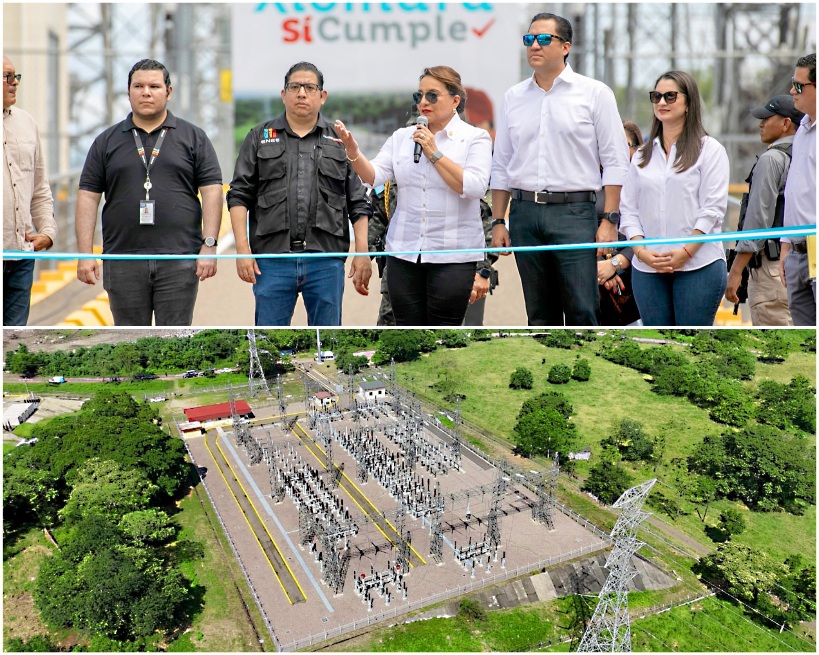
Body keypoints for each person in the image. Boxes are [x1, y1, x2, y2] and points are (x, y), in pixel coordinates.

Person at [490, 12, 629, 326]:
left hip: (575, 213)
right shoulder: (513, 98)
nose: (534, 45)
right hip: (524, 214)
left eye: (543, 39)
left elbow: (616, 162)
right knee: (539, 315)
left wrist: (610, 219)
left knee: (582, 310)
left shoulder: (594, 94)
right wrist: (499, 220)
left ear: (565, 47)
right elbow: (501, 164)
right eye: (529, 39)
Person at [335, 66, 492, 326]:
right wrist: (354, 152)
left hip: (453, 256)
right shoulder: (402, 137)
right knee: (404, 327)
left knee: (442, 332)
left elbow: (474, 187)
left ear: (455, 100)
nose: (422, 102)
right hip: (403, 254)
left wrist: (434, 152)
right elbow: (373, 175)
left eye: (432, 96)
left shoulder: (474, 138)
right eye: (418, 96)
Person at [75, 58, 223, 326]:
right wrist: (85, 253)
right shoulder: (106, 141)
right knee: (129, 339)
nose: (146, 92)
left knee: (177, 338)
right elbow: (87, 196)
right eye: (138, 86)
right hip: (122, 260)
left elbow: (212, 190)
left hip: (179, 260)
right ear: (128, 91)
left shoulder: (194, 138)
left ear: (168, 92)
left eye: (154, 86)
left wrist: (209, 245)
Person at [227, 61, 372, 326]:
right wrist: (242, 250)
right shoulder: (259, 137)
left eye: (309, 87)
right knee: (268, 339)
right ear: (283, 94)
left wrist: (362, 252)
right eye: (294, 87)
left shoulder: (340, 141)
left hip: (325, 261)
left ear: (322, 96)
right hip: (271, 261)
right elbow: (238, 195)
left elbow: (358, 202)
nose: (302, 93)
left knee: (328, 340)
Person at [619, 71, 729, 326]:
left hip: (699, 266)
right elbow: (629, 209)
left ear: (689, 103)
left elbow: (712, 209)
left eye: (670, 96)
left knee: (692, 344)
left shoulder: (709, 150)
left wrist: (685, 252)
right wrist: (640, 251)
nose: (661, 102)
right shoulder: (642, 155)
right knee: (657, 343)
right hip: (648, 269)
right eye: (656, 96)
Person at [725, 94, 802, 325]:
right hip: (802, 264)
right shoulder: (807, 156)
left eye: (767, 118)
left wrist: (736, 270)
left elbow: (758, 219)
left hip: (772, 268)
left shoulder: (772, 159)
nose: (761, 124)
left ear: (786, 123)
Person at [3, 55, 57, 326]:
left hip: (21, 254)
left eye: (16, 77)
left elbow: (39, 186)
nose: (14, 84)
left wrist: (48, 232)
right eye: (7, 77)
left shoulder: (27, 123)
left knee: (13, 335)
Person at [780, 53, 816, 326]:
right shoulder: (803, 129)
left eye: (799, 86)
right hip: (796, 252)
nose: (792, 90)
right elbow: (795, 192)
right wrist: (785, 245)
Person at [596, 121, 643, 326]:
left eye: (624, 146)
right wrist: (601, 269)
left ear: (636, 149)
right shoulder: (590, 185)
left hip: (637, 272)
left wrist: (616, 263)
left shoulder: (646, 185)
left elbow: (651, 232)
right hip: (596, 278)